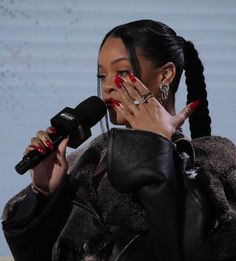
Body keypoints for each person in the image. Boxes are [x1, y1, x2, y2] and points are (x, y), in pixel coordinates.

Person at [2, 19, 236, 261]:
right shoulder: (91, 157)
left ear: (165, 75)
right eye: (102, 76)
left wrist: (155, 150)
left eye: (121, 72)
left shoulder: (214, 159)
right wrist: (45, 194)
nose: (107, 88)